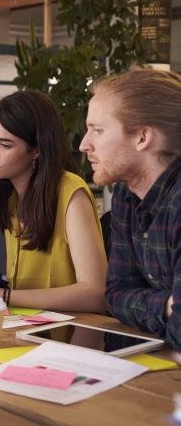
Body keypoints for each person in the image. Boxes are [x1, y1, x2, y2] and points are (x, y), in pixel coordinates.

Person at [0, 90, 106, 312]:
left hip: (67, 336)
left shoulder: (70, 192)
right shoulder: (11, 197)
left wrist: (1, 295)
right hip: (25, 328)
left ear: (36, 150)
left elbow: (96, 294)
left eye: (5, 145)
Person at [79, 68, 180, 349]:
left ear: (142, 137)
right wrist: (167, 305)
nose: (84, 144)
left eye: (97, 131)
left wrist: (156, 307)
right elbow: (115, 295)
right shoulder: (127, 194)